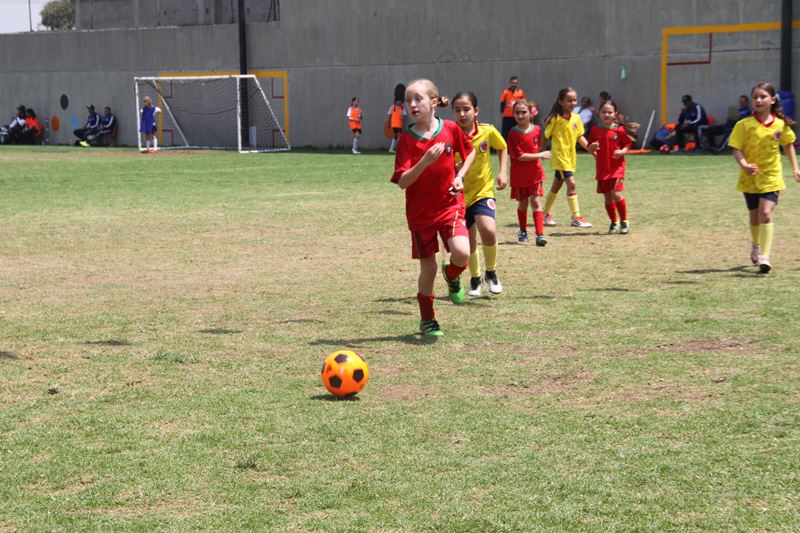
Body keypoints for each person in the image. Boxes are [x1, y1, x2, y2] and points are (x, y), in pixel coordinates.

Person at [391, 79, 475, 337]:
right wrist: (425, 162)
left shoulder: (450, 128)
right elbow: (403, 181)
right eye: (408, 101)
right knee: (429, 269)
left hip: (449, 206)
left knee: (462, 251)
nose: (412, 105)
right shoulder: (407, 140)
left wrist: (460, 175)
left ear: (434, 103)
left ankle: (453, 275)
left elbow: (469, 152)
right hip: (420, 216)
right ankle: (428, 320)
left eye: (418, 99)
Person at [728, 82, 800, 273]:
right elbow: (736, 148)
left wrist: (795, 168)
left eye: (763, 97)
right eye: (755, 97)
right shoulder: (744, 124)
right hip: (749, 179)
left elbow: (788, 145)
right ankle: (756, 244)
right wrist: (744, 165)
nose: (758, 100)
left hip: (771, 177)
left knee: (766, 214)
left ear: (773, 100)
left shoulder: (780, 124)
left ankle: (765, 257)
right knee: (754, 218)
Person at [451, 91, 508, 297]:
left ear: (476, 110)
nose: (462, 114)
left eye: (466, 109)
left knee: (489, 231)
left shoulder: (487, 131)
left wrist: (502, 172)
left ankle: (491, 273)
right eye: (457, 110)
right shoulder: (450, 134)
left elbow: (502, 147)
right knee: (469, 240)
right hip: (459, 196)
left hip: (483, 191)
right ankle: (475, 278)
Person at [542, 87, 596, 228]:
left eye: (574, 100)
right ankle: (576, 217)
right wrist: (539, 153)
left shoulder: (576, 118)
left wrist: (591, 149)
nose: (572, 103)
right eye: (569, 100)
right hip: (560, 158)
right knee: (571, 184)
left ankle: (544, 213)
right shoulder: (555, 119)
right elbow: (545, 136)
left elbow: (580, 137)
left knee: (556, 186)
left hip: (570, 158)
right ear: (561, 102)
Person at [507, 99, 551, 246]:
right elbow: (519, 157)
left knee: (536, 201)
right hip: (519, 176)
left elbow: (538, 146)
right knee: (523, 204)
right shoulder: (513, 134)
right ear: (513, 115)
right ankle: (523, 231)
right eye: (517, 113)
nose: (520, 115)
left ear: (531, 113)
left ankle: (540, 235)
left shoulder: (537, 129)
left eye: (523, 112)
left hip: (535, 174)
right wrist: (540, 155)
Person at [588, 100, 632, 234]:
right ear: (599, 114)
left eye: (609, 112)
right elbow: (590, 148)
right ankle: (614, 222)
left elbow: (628, 144)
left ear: (615, 114)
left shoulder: (619, 130)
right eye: (603, 112)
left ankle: (624, 221)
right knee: (607, 197)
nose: (606, 114)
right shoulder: (595, 130)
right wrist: (591, 147)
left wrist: (622, 151)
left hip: (617, 168)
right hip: (602, 169)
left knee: (616, 194)